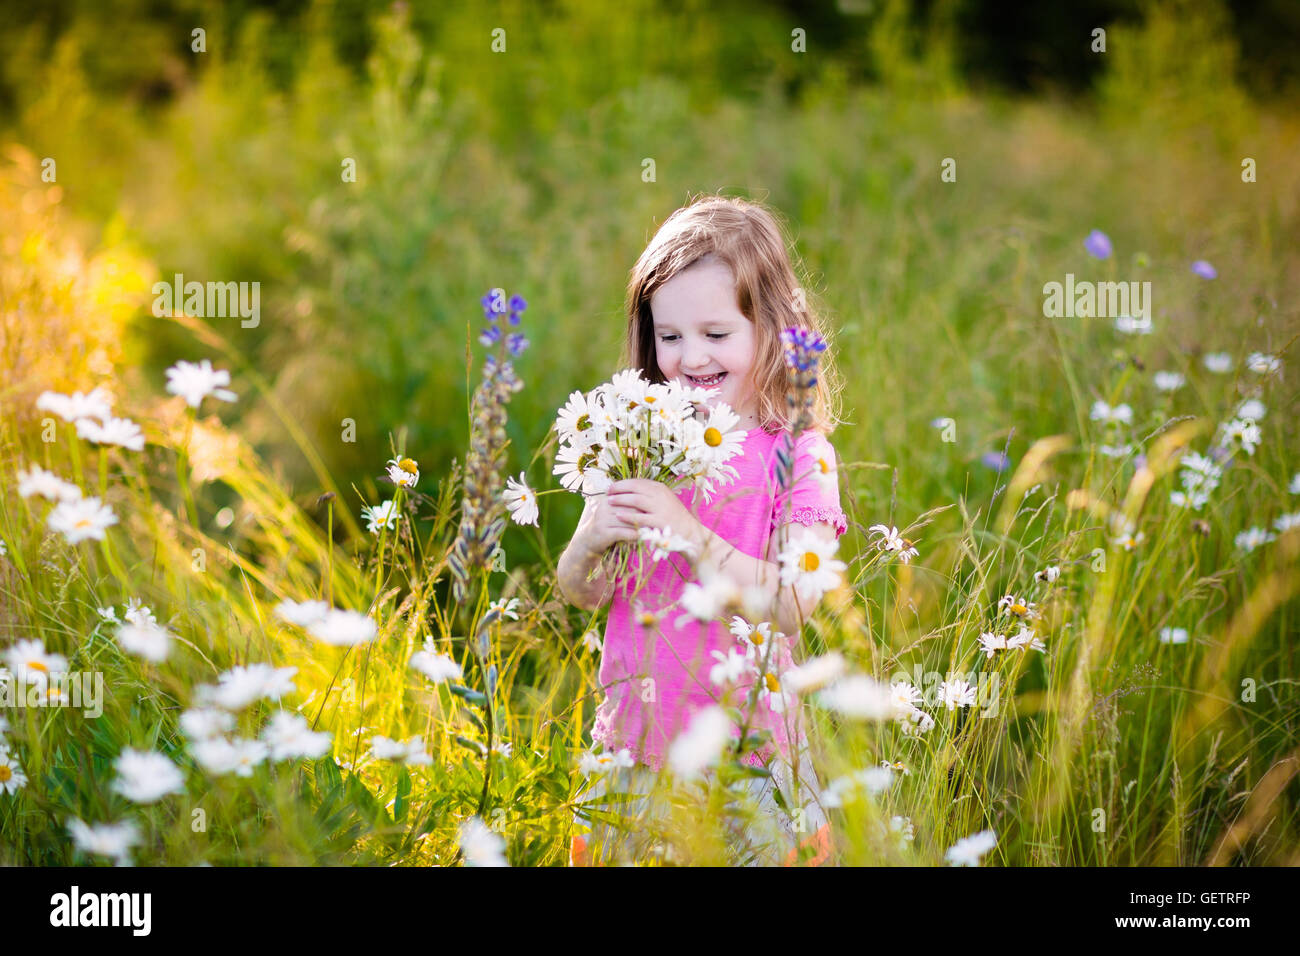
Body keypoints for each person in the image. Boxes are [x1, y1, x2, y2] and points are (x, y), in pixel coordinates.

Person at [555, 194, 848, 866]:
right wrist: (587, 543)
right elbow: (586, 593)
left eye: (716, 335)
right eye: (670, 336)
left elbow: (791, 601)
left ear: (771, 329)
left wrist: (689, 532)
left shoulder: (800, 455)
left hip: (753, 755)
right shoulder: (635, 440)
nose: (690, 357)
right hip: (634, 753)